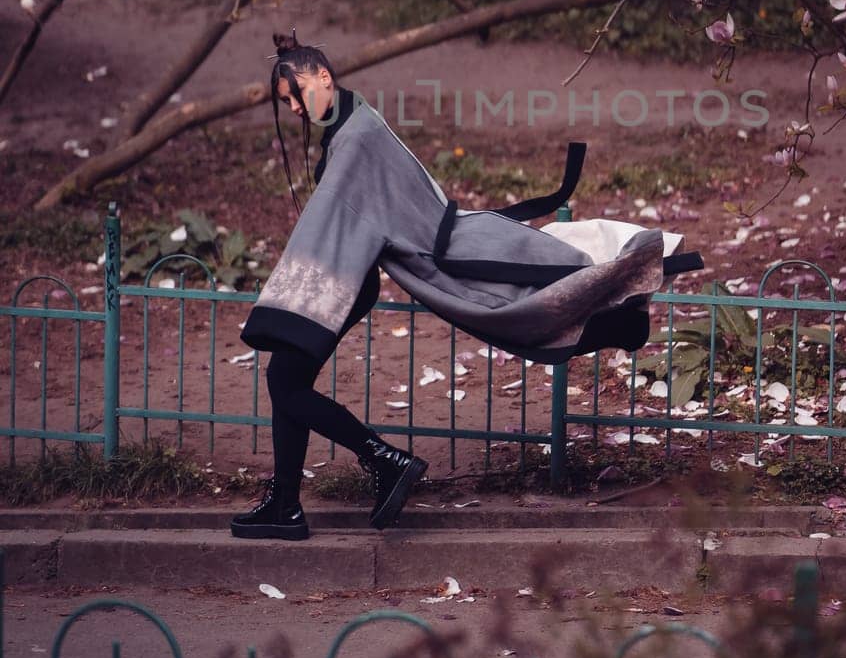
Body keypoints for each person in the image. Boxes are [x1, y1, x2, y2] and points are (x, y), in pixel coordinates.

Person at [232, 32, 703, 540]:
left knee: (284, 381)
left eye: (297, 93)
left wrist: (284, 300)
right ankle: (291, 501)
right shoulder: (352, 124)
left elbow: (336, 218)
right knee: (287, 378)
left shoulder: (355, 137)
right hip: (345, 277)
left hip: (348, 280)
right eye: (287, 104)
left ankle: (376, 464)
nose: (297, 108)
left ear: (323, 76)